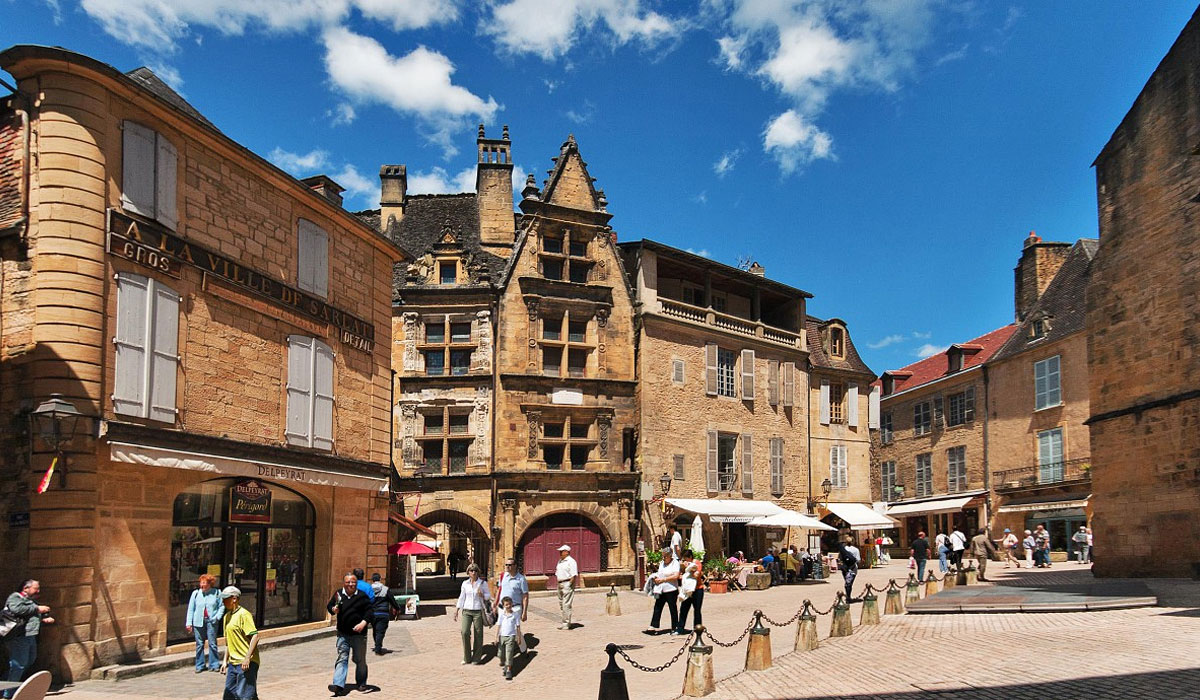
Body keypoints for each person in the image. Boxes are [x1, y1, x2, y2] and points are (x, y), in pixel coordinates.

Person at [3, 579, 54, 699]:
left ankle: (5, 683)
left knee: (29, 661)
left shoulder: (31, 601)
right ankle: (8, 693)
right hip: (19, 636)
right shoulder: (15, 597)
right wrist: (37, 609)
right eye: (36, 588)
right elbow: (16, 610)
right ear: (26, 588)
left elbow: (29, 617)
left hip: (30, 635)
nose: (38, 591)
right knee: (18, 664)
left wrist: (42, 619)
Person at [326, 573, 371, 696]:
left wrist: (363, 623)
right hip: (343, 634)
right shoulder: (338, 594)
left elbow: (370, 611)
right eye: (348, 582)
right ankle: (338, 685)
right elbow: (329, 606)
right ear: (344, 583)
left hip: (359, 635)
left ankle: (361, 682)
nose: (351, 584)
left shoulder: (362, 596)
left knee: (360, 660)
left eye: (353, 582)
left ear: (356, 583)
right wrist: (333, 610)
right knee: (342, 658)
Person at [218, 586, 260, 700]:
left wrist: (247, 658)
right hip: (233, 663)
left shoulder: (244, 615)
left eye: (225, 599)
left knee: (244, 696)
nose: (223, 602)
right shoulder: (227, 617)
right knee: (229, 695)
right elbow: (228, 642)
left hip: (246, 663)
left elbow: (255, 636)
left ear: (234, 599)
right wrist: (224, 662)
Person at [453, 564, 491, 664]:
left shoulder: (483, 583)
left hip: (478, 610)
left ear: (478, 572)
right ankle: (467, 657)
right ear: (468, 572)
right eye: (471, 571)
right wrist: (457, 610)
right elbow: (462, 597)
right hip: (466, 610)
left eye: (475, 571)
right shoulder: (465, 584)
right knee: (464, 632)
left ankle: (476, 658)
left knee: (478, 634)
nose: (473, 572)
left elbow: (488, 596)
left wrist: (482, 595)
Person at [185, 573, 223, 673]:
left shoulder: (217, 593)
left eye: (204, 583)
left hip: (211, 621)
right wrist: (189, 623)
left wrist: (217, 617)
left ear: (210, 583)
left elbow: (221, 606)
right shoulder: (196, 593)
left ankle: (214, 664)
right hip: (198, 622)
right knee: (199, 644)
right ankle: (200, 665)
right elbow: (191, 609)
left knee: (212, 643)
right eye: (201, 583)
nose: (202, 585)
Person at [495, 558, 530, 653]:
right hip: (502, 607)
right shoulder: (503, 576)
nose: (507, 567)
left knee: (514, 628)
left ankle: (523, 649)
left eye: (509, 565)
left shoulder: (521, 579)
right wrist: (495, 603)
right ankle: (504, 650)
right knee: (503, 628)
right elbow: (499, 590)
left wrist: (524, 612)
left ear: (515, 566)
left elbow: (525, 596)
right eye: (506, 565)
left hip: (515, 607)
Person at [645, 548, 680, 635]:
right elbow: (660, 573)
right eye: (663, 556)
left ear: (670, 556)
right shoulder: (662, 563)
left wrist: (664, 579)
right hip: (661, 589)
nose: (663, 558)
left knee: (673, 608)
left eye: (665, 556)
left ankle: (675, 627)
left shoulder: (675, 563)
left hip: (671, 589)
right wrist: (656, 578)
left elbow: (676, 576)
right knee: (657, 607)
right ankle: (653, 626)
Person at [369, 573, 401, 655]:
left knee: (375, 630)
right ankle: (378, 647)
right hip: (383, 613)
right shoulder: (386, 589)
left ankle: (377, 645)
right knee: (380, 631)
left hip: (373, 613)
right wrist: (397, 608)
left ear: (372, 580)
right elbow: (392, 600)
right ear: (380, 579)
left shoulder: (369, 589)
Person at [675, 554, 704, 635]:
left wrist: (690, 569)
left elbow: (696, 575)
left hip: (697, 590)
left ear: (690, 557)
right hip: (687, 590)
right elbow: (681, 576)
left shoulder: (696, 563)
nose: (685, 561)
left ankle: (698, 628)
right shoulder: (684, 565)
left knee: (697, 610)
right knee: (683, 609)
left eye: (686, 559)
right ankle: (680, 628)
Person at [554, 545, 578, 630]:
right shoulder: (560, 561)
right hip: (560, 583)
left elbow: (574, 575)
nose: (560, 553)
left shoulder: (571, 562)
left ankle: (566, 624)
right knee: (561, 604)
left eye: (562, 551)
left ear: (567, 552)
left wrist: (569, 584)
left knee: (566, 604)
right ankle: (565, 620)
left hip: (567, 583)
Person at [496, 597, 520, 681]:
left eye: (510, 604)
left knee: (509, 654)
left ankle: (509, 671)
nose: (508, 606)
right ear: (503, 605)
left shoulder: (515, 614)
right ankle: (505, 665)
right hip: (502, 636)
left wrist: (518, 637)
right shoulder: (502, 615)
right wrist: (496, 637)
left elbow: (517, 626)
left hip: (511, 636)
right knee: (501, 654)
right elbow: (499, 625)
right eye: (506, 604)